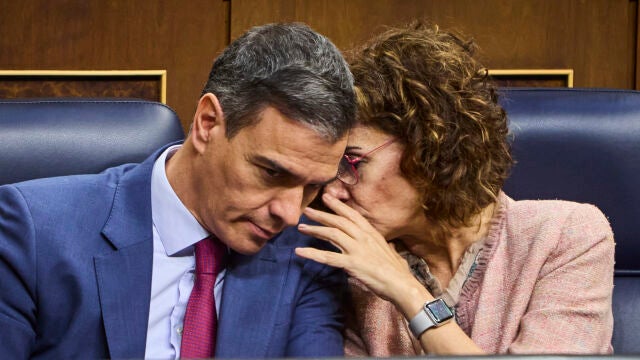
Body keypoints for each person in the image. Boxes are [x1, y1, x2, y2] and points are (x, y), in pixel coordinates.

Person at [0, 23, 355, 359]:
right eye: (271, 172)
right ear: (208, 124)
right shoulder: (34, 234)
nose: (290, 213)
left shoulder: (307, 256)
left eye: (312, 187)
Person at [295, 21, 614, 355]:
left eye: (353, 162)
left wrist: (408, 292)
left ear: (427, 148)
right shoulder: (354, 268)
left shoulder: (565, 236)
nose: (331, 194)